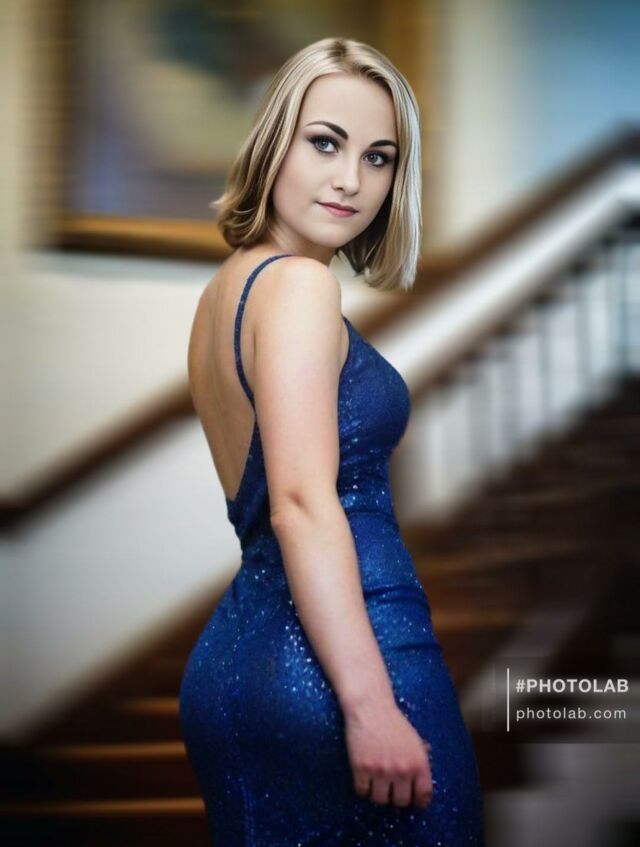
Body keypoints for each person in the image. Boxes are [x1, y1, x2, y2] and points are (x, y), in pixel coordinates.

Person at [179, 36, 486, 846]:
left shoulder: (224, 294)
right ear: (273, 141)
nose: (352, 178)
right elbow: (301, 502)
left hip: (238, 661)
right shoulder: (300, 285)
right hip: (344, 659)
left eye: (379, 157)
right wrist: (371, 704)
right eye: (325, 142)